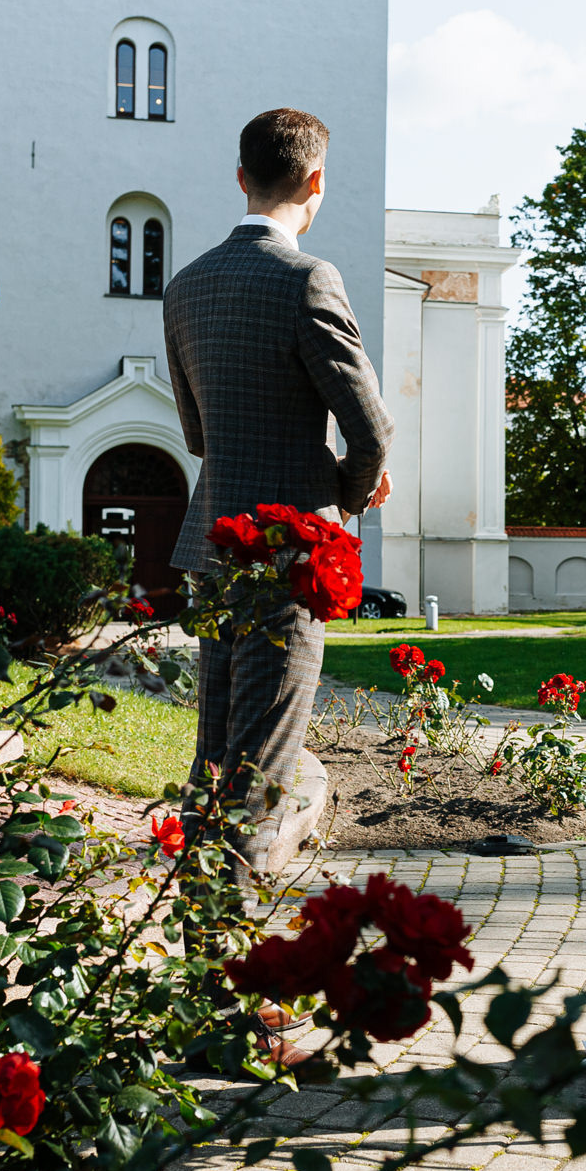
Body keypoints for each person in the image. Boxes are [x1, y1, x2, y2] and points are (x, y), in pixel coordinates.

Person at [162, 108, 394, 880]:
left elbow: (198, 436)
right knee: (259, 773)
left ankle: (200, 971)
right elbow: (372, 430)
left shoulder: (185, 285)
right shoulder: (309, 279)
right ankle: (224, 987)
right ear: (316, 180)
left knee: (216, 763)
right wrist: (347, 490)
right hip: (288, 559)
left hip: (211, 547)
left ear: (241, 177)